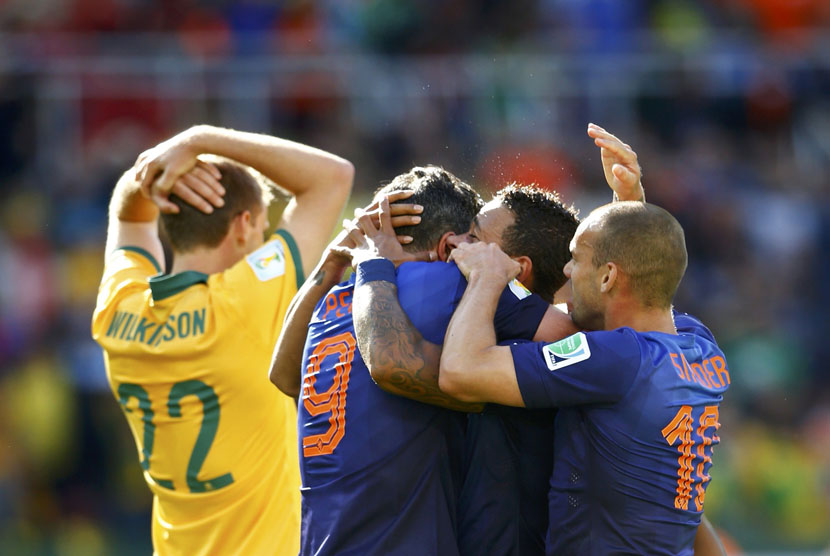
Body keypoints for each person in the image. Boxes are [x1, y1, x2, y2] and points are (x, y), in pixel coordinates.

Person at [270, 166, 570, 555]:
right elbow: (573, 333)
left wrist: (333, 260)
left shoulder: (328, 303)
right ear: (448, 247)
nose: (474, 252)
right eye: (473, 239)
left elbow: (282, 375)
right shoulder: (455, 283)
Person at [91, 124, 353, 556]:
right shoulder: (244, 303)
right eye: (262, 226)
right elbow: (332, 176)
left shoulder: (118, 310)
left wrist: (158, 173)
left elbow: (127, 213)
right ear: (244, 225)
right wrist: (198, 139)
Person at [438, 201, 730, 555]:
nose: (566, 270)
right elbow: (648, 275)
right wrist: (630, 201)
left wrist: (486, 277)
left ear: (608, 276)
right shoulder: (699, 343)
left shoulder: (615, 359)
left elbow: (461, 371)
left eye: (576, 258)